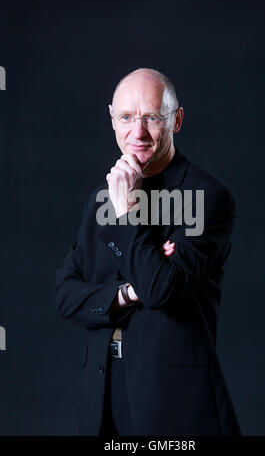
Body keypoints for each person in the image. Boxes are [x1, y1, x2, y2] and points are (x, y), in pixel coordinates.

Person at [54, 68, 241, 436]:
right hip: (103, 397)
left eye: (151, 118)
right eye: (126, 117)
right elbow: (66, 296)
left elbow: (158, 289)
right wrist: (126, 293)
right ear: (112, 117)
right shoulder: (98, 199)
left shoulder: (209, 197)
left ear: (177, 119)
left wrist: (125, 213)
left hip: (173, 402)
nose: (136, 133)